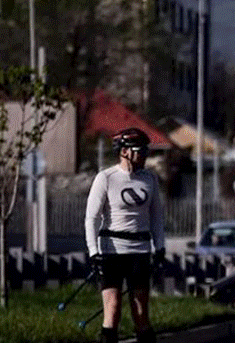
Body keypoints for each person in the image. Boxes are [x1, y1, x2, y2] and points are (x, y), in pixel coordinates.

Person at [84, 128, 166, 343]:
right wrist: (94, 252)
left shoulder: (150, 179)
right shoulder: (106, 178)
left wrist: (160, 247)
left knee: (141, 312)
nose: (145, 155)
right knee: (112, 310)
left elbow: (156, 216)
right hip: (112, 251)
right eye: (140, 150)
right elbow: (91, 218)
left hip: (139, 251)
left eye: (146, 150)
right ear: (124, 152)